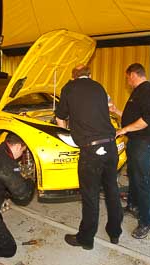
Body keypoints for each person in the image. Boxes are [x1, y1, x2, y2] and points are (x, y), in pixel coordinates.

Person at [55, 64, 123, 250]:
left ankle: (86, 239)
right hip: (110, 146)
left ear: (73, 76)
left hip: (91, 151)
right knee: (112, 190)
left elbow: (60, 119)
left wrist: (71, 131)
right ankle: (115, 233)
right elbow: (110, 107)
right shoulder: (99, 87)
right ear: (90, 75)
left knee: (90, 196)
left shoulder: (68, 88)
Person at [116, 63, 150, 239]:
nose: (127, 81)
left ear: (133, 74)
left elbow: (148, 119)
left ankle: (146, 222)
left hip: (145, 142)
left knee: (143, 181)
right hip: (137, 142)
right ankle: (133, 206)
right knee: (134, 176)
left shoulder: (149, 90)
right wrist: (116, 111)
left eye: (127, 77)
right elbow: (133, 117)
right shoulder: (138, 92)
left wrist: (124, 130)